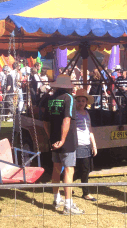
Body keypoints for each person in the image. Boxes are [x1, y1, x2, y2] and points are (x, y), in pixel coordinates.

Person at [43, 74, 84, 215]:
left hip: (54, 139)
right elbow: (67, 119)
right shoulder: (69, 98)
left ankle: (56, 198)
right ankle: (68, 205)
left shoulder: (50, 99)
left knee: (56, 168)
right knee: (68, 170)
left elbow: (45, 121)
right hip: (67, 141)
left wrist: (51, 137)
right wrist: (62, 139)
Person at [74, 89, 97, 201]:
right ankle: (85, 193)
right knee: (80, 169)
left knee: (86, 169)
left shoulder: (87, 113)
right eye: (79, 101)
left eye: (83, 101)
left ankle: (68, 185)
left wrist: (94, 145)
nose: (81, 103)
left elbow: (90, 129)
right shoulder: (73, 113)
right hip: (78, 144)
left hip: (87, 144)